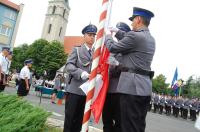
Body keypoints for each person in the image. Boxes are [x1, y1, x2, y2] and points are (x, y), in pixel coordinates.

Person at [104, 7, 155, 132]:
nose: (131, 24)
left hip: (131, 88)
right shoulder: (150, 38)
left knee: (128, 127)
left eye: (133, 20)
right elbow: (131, 38)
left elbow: (113, 47)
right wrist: (117, 31)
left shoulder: (134, 36)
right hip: (143, 87)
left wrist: (108, 35)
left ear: (138, 19)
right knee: (138, 126)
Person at [63, 24, 97, 132]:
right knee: (70, 120)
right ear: (84, 36)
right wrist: (81, 73)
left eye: (94, 35)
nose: (92, 37)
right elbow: (69, 65)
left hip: (87, 93)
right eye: (90, 34)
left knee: (80, 121)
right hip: (74, 90)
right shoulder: (77, 50)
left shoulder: (96, 53)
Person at [102, 22, 131, 132]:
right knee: (107, 121)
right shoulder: (114, 49)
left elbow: (122, 68)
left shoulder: (128, 51)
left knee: (119, 123)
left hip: (121, 93)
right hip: (108, 92)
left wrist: (116, 66)